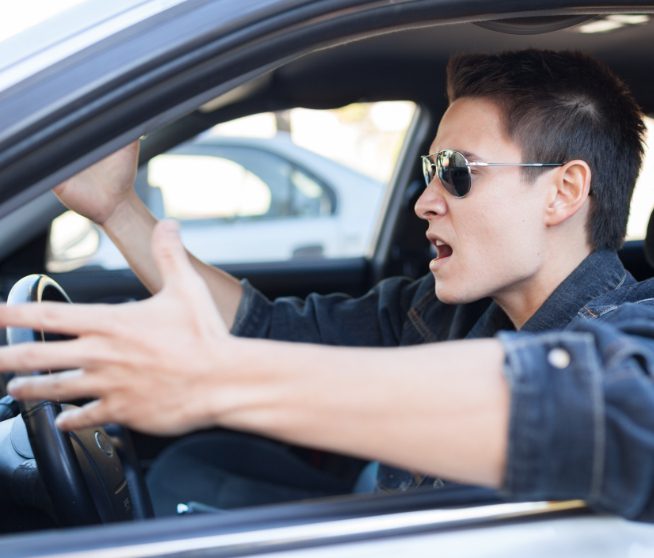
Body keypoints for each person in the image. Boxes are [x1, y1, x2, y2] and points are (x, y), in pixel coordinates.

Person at [2, 48, 654, 520]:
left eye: (456, 171)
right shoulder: (442, 314)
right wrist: (117, 208)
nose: (424, 201)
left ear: (563, 192)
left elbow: (601, 407)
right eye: (429, 168)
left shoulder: (636, 336)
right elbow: (264, 329)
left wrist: (220, 380)